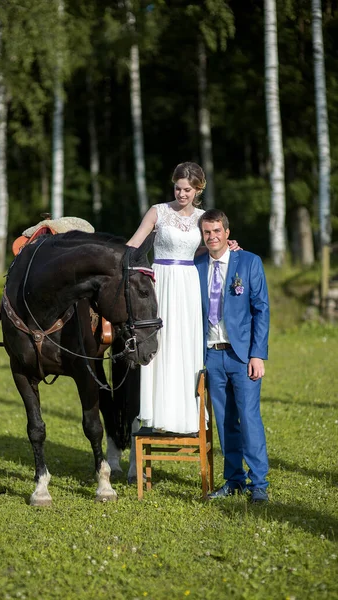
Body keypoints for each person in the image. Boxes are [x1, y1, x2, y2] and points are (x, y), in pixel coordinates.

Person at [126, 163, 238, 435]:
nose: (181, 193)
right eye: (178, 187)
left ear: (198, 189)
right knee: (160, 344)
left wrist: (228, 246)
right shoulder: (158, 211)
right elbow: (133, 244)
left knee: (185, 344)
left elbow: (208, 245)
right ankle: (155, 413)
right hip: (160, 279)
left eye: (187, 189)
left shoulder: (202, 218)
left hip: (188, 283)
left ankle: (187, 417)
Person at [195, 209, 270, 503]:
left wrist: (257, 354)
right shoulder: (197, 265)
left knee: (249, 418)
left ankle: (259, 483)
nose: (212, 237)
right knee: (225, 422)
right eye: (207, 232)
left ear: (227, 232)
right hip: (212, 356)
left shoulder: (249, 262)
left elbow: (261, 310)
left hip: (242, 356)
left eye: (217, 231)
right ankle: (234, 480)